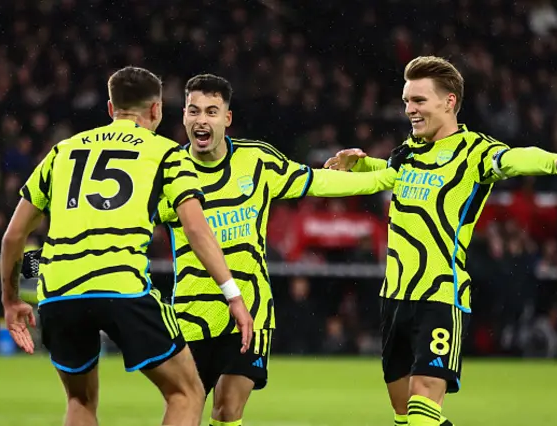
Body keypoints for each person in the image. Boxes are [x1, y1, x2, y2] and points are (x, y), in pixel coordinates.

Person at [324, 56, 557, 426]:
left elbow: (512, 158)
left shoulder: (473, 152)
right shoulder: (408, 151)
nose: (409, 110)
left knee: (422, 411)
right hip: (395, 297)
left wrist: (552, 160)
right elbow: (392, 176)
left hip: (440, 295)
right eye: (406, 101)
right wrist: (362, 164)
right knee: (404, 416)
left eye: (418, 100)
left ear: (449, 102)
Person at [0, 66, 253, 426]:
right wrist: (233, 295)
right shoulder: (165, 153)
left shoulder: (63, 151)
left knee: (80, 400)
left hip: (57, 290)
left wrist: (10, 299)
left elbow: (13, 236)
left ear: (109, 109)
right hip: (122, 287)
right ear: (156, 110)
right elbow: (196, 229)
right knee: (186, 393)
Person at [155, 73, 400, 426]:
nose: (201, 120)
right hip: (191, 314)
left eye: (211, 111)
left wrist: (387, 177)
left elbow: (316, 181)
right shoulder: (168, 170)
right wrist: (41, 264)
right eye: (194, 111)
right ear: (183, 117)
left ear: (227, 118)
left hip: (251, 311)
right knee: (184, 406)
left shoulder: (257, 161)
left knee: (228, 409)